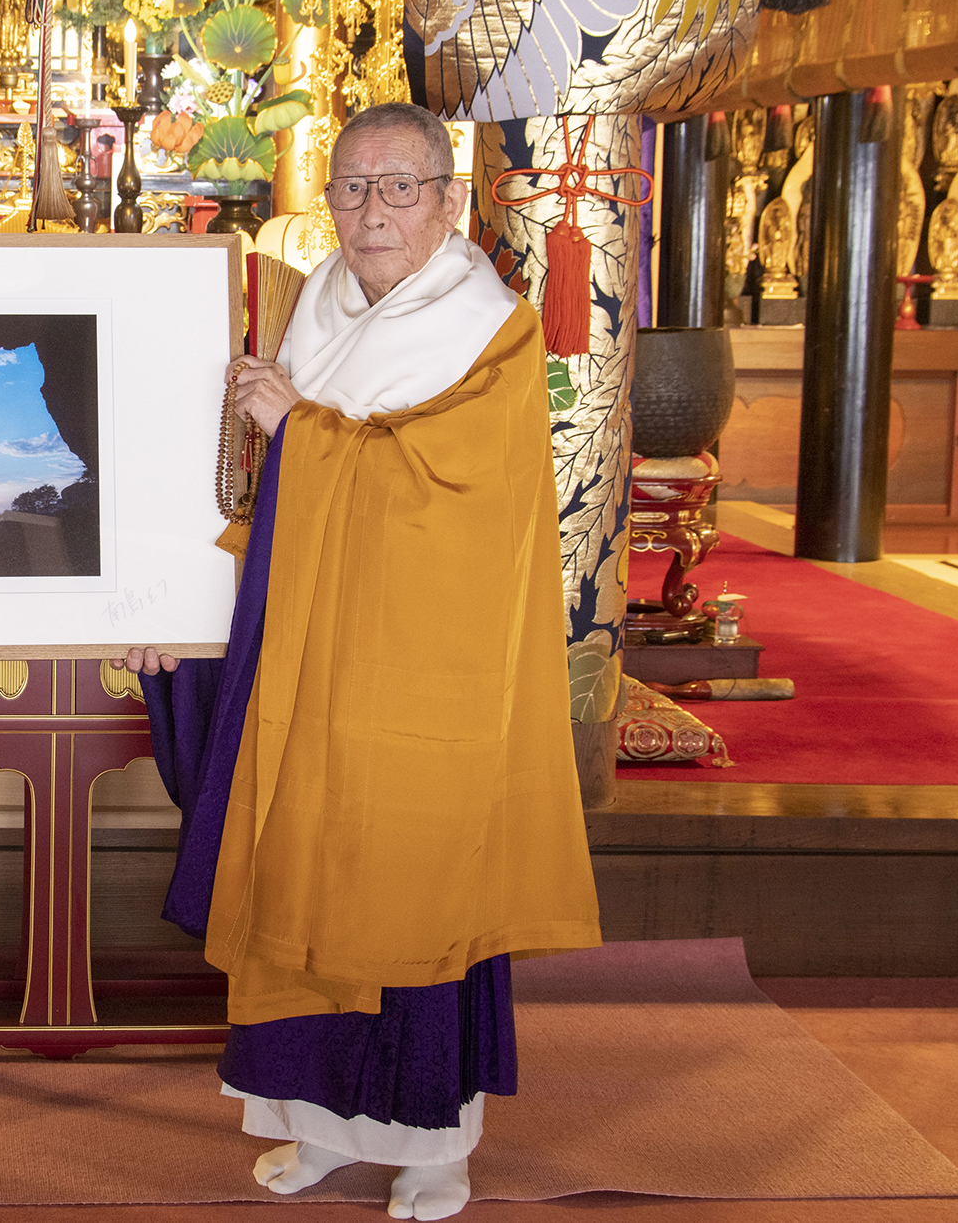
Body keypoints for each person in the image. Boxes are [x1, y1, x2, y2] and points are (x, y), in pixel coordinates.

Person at [118, 102, 601, 1221]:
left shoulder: (491, 331)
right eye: (348, 187)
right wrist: (179, 613)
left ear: (447, 200)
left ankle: (434, 1146)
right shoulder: (314, 310)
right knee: (299, 874)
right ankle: (316, 1126)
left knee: (410, 896)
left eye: (397, 187)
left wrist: (302, 429)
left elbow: (454, 506)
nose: (370, 210)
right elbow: (261, 503)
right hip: (303, 664)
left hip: (422, 674)